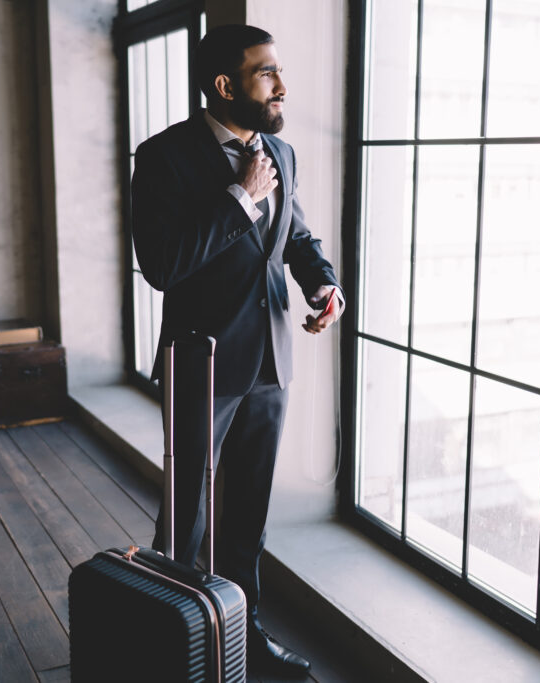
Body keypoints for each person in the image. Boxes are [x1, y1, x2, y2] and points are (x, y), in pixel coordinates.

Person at [131, 23, 344, 677]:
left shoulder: (281, 151)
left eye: (279, 70)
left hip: (271, 362)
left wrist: (323, 282)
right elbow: (162, 264)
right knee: (188, 521)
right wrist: (240, 198)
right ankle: (171, 646)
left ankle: (242, 638)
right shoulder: (163, 156)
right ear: (224, 85)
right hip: (202, 361)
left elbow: (296, 236)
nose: (281, 84)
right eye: (265, 72)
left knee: (247, 518)